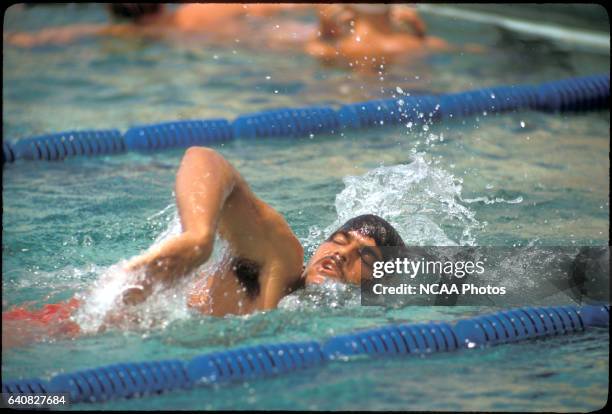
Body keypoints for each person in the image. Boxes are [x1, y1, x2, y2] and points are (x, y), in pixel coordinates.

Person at [2, 146, 406, 345]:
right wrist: (199, 238)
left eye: (363, 256)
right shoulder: (280, 261)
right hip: (65, 325)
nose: (340, 254)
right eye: (338, 241)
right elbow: (205, 159)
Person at [5, 3, 314, 48]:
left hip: (261, 47)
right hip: (285, 36)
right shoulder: (203, 9)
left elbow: (73, 33)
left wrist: (20, 39)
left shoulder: (140, 31)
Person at [306, 4, 449, 69]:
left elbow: (315, 51)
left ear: (347, 8)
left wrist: (324, 32)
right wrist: (420, 32)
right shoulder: (424, 44)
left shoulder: (331, 49)